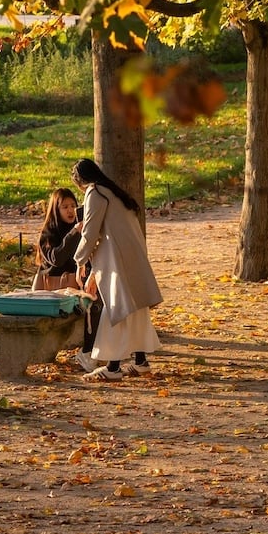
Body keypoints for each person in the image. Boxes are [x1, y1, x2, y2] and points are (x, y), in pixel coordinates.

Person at [71, 158, 163, 382]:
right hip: (131, 257)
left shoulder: (95, 193)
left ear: (80, 181)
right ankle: (140, 361)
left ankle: (112, 367)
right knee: (133, 309)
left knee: (116, 310)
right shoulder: (114, 192)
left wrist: (79, 260)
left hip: (117, 261)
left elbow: (90, 232)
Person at [33, 187, 84, 291]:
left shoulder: (81, 229)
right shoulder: (48, 233)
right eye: (65, 207)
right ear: (56, 210)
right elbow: (57, 259)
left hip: (76, 286)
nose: (70, 210)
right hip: (52, 288)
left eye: (73, 206)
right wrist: (73, 234)